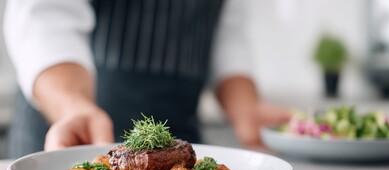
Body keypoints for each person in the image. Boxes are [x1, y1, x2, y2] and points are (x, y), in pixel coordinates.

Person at [4, 0, 291, 158]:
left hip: (180, 145)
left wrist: (246, 108)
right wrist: (72, 107)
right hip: (73, 131)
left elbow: (228, 32)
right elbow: (44, 15)